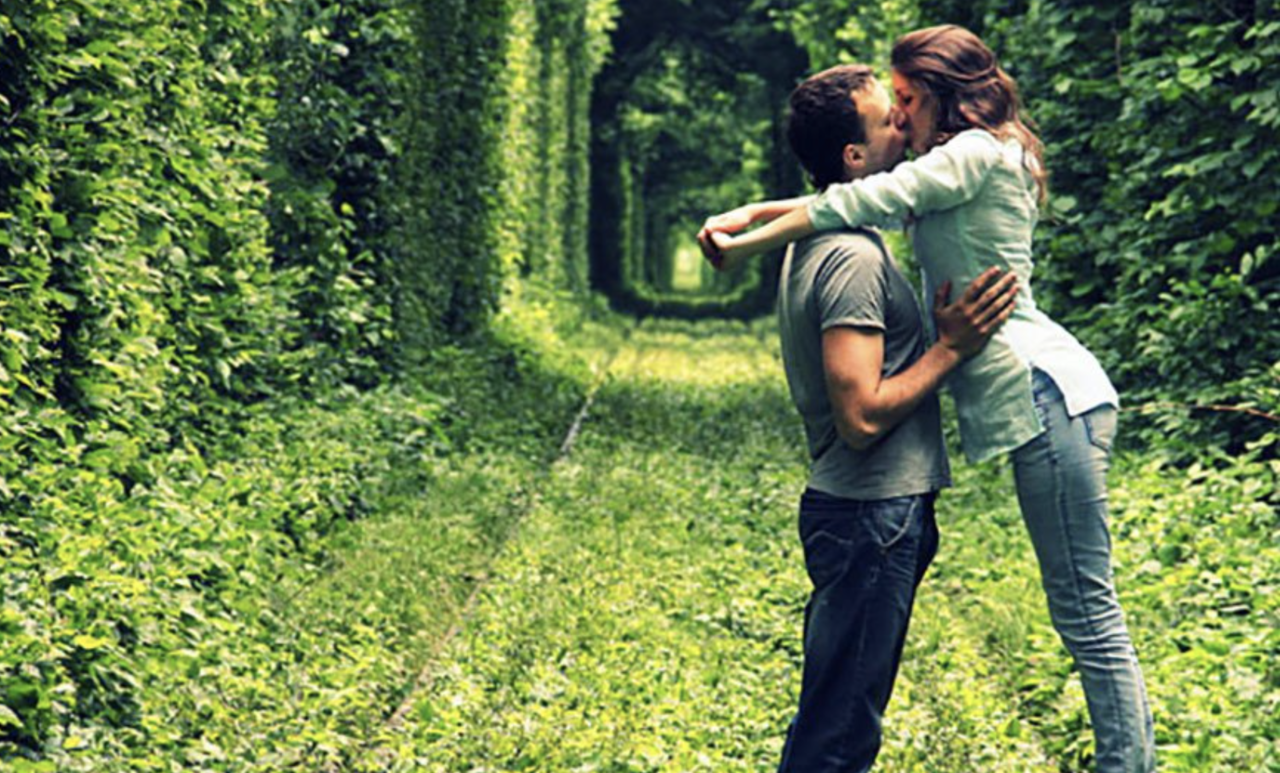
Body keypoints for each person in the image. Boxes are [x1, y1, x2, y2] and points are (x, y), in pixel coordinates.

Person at [700, 25, 1155, 773]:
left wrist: (744, 244)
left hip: (1049, 389)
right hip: (1038, 392)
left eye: (907, 99)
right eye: (893, 105)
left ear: (944, 94)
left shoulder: (973, 155)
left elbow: (866, 195)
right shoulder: (956, 163)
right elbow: (858, 197)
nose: (901, 116)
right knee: (1080, 607)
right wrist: (751, 212)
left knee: (1085, 608)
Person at [760, 63, 1017, 773]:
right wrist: (951, 348)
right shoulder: (848, 256)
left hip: (866, 514)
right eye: (885, 120)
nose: (903, 124)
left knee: (836, 716)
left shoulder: (828, 234)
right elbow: (861, 415)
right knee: (841, 733)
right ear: (854, 156)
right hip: (870, 515)